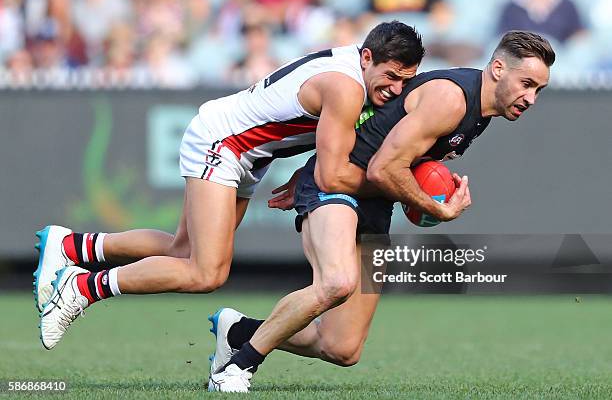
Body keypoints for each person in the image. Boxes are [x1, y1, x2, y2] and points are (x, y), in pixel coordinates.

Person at [36, 21, 425, 350]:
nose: (394, 89)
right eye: (390, 76)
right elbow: (332, 174)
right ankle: (82, 288)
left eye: (403, 81)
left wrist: (305, 172)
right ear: (367, 57)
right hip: (224, 143)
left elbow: (327, 140)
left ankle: (69, 246)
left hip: (243, 150)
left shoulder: (351, 69)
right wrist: (397, 185)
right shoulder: (346, 87)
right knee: (206, 273)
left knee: (182, 249)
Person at [207, 30, 556, 392]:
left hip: (374, 202)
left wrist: (422, 191)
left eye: (538, 90)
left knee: (342, 347)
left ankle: (239, 331)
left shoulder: (480, 113)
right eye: (526, 83)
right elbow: (382, 170)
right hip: (337, 185)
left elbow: (393, 155)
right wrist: (434, 207)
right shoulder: (451, 99)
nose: (530, 98)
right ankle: (236, 368)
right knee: (335, 283)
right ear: (498, 68)